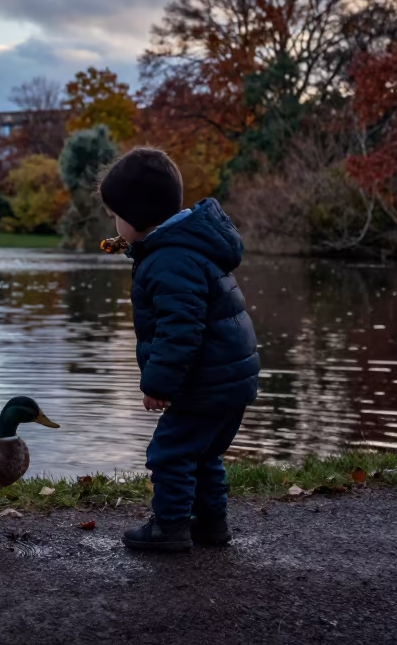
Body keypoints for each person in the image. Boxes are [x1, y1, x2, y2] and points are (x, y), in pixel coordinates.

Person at [99, 147, 259, 551]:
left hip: (204, 381)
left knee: (170, 452)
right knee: (201, 453)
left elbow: (180, 329)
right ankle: (211, 524)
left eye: (116, 214)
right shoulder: (190, 248)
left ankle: (169, 528)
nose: (114, 224)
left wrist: (159, 382)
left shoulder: (170, 260)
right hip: (227, 378)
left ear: (136, 215)